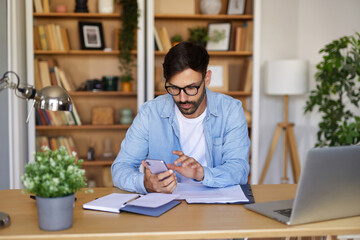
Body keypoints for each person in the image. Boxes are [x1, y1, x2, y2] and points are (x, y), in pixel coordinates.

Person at [111, 41, 250, 194]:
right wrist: (144, 183)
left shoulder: (230, 110)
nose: (182, 98)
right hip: (165, 207)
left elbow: (239, 169)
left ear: (207, 78)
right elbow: (121, 167)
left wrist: (202, 174)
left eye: (191, 88)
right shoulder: (150, 112)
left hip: (215, 206)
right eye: (174, 88)